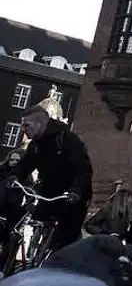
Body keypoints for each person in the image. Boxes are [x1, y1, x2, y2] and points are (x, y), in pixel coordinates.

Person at [12, 105, 92, 249]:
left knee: (66, 237)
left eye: (27, 125)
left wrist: (76, 191)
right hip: (49, 191)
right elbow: (25, 165)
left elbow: (83, 170)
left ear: (40, 123)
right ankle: (34, 252)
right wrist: (13, 176)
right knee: (34, 221)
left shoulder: (67, 140)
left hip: (71, 195)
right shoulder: (35, 145)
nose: (23, 129)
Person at [0, 150, 27, 230]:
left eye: (17, 160)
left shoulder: (24, 176)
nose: (14, 162)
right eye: (12, 160)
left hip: (10, 209)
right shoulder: (2, 171)